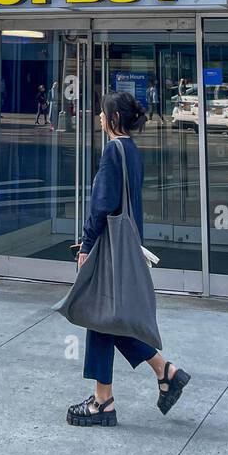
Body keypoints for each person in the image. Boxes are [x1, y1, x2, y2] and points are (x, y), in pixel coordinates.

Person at [66, 91, 190, 428]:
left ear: (114, 119)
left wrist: (86, 246)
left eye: (103, 114)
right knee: (106, 317)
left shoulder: (112, 150)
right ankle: (160, 373)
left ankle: (105, 400)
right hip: (126, 243)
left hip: (110, 247)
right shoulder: (131, 150)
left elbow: (102, 203)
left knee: (101, 314)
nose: (100, 119)